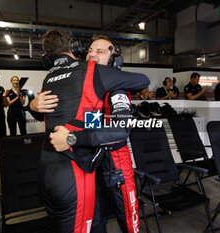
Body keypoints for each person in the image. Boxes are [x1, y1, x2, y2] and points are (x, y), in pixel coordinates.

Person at [29, 29, 149, 233]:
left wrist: (73, 137)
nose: (92, 54)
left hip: (116, 162)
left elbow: (120, 131)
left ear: (114, 59)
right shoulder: (83, 81)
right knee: (94, 220)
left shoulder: (116, 87)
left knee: (128, 219)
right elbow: (86, 121)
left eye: (100, 51)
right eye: (90, 50)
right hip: (89, 161)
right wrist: (32, 105)